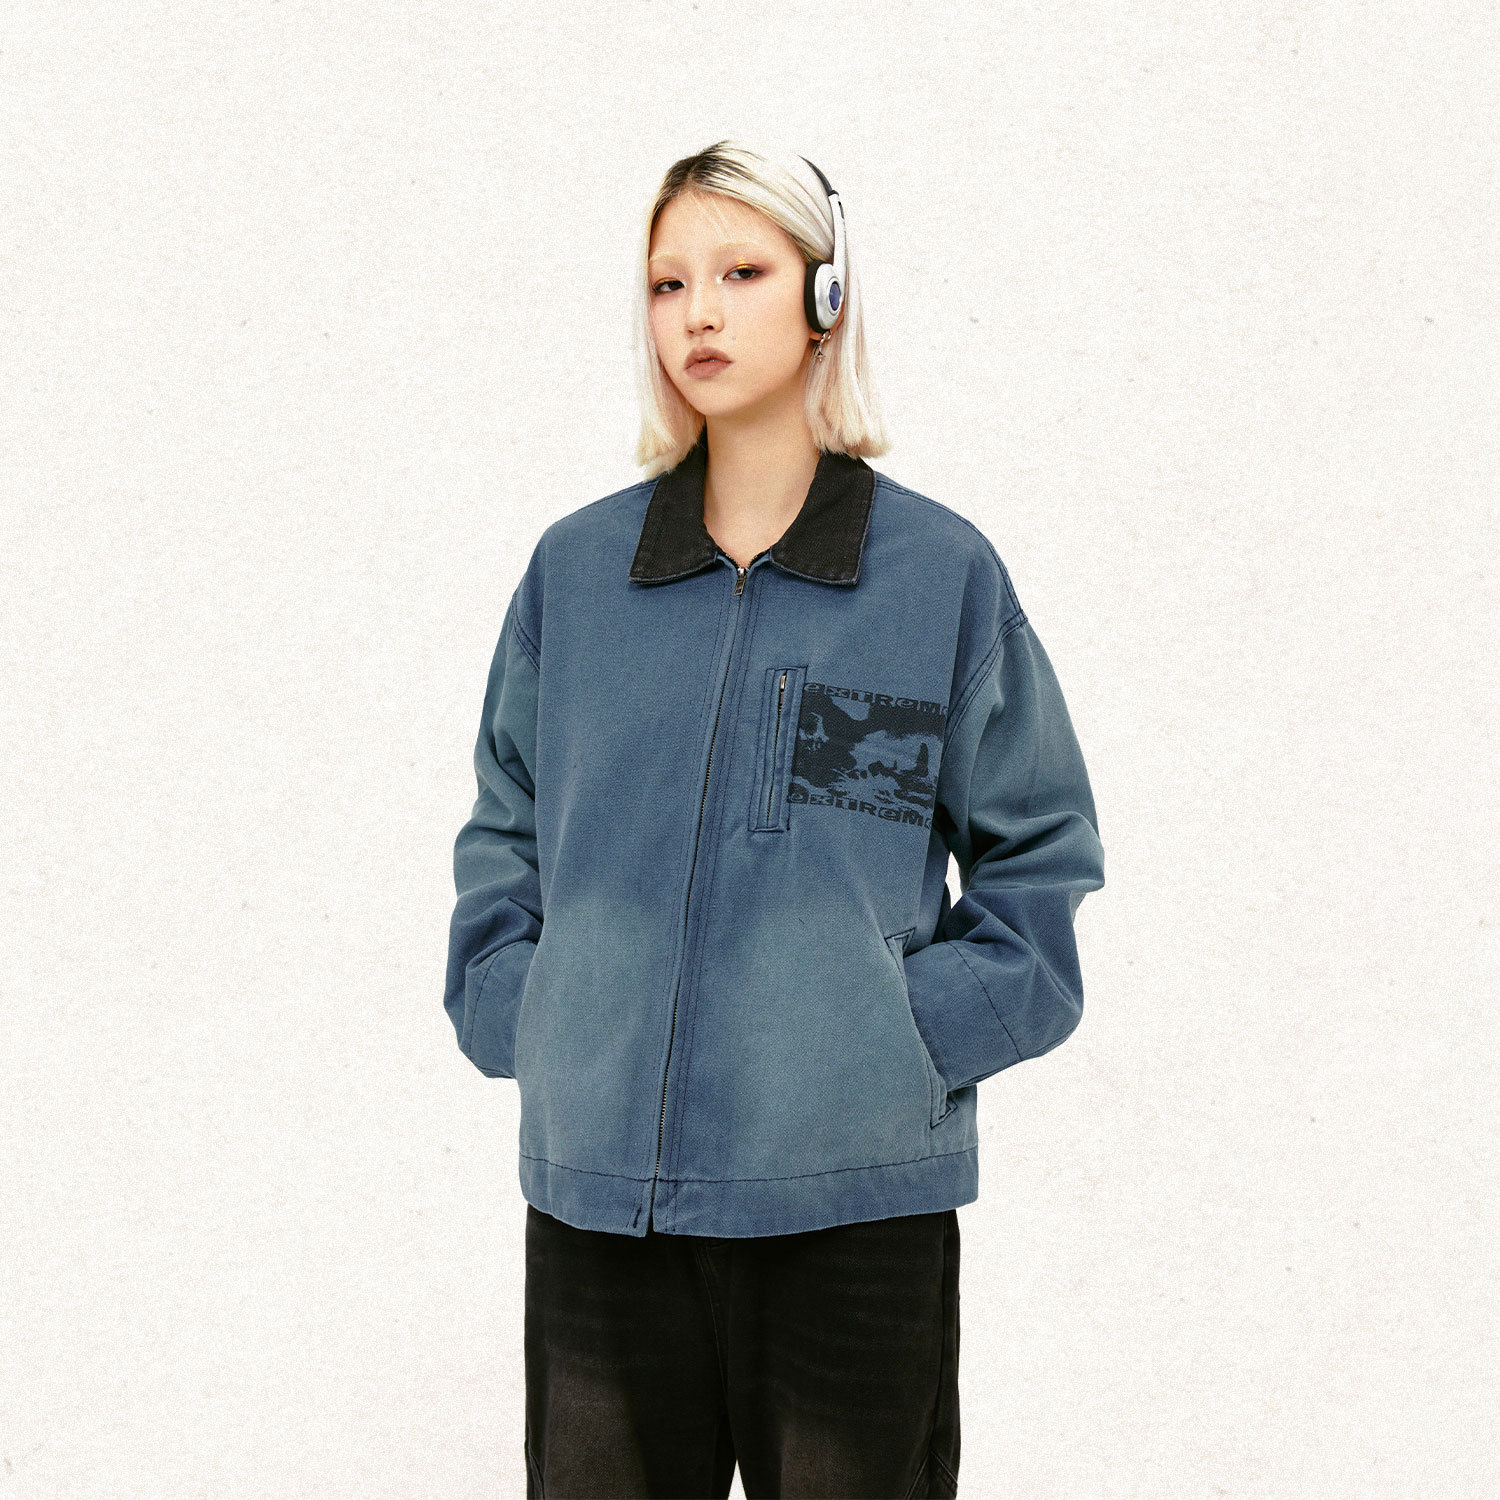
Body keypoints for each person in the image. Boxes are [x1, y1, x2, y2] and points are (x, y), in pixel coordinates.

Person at [443, 140, 1107, 1499]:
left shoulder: (936, 577)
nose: (698, 312)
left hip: (854, 1212)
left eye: (740, 272)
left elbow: (1039, 852)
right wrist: (533, 1009)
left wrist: (905, 1044)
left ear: (824, 298)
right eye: (667, 282)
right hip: (602, 1208)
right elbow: (505, 826)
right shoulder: (578, 576)